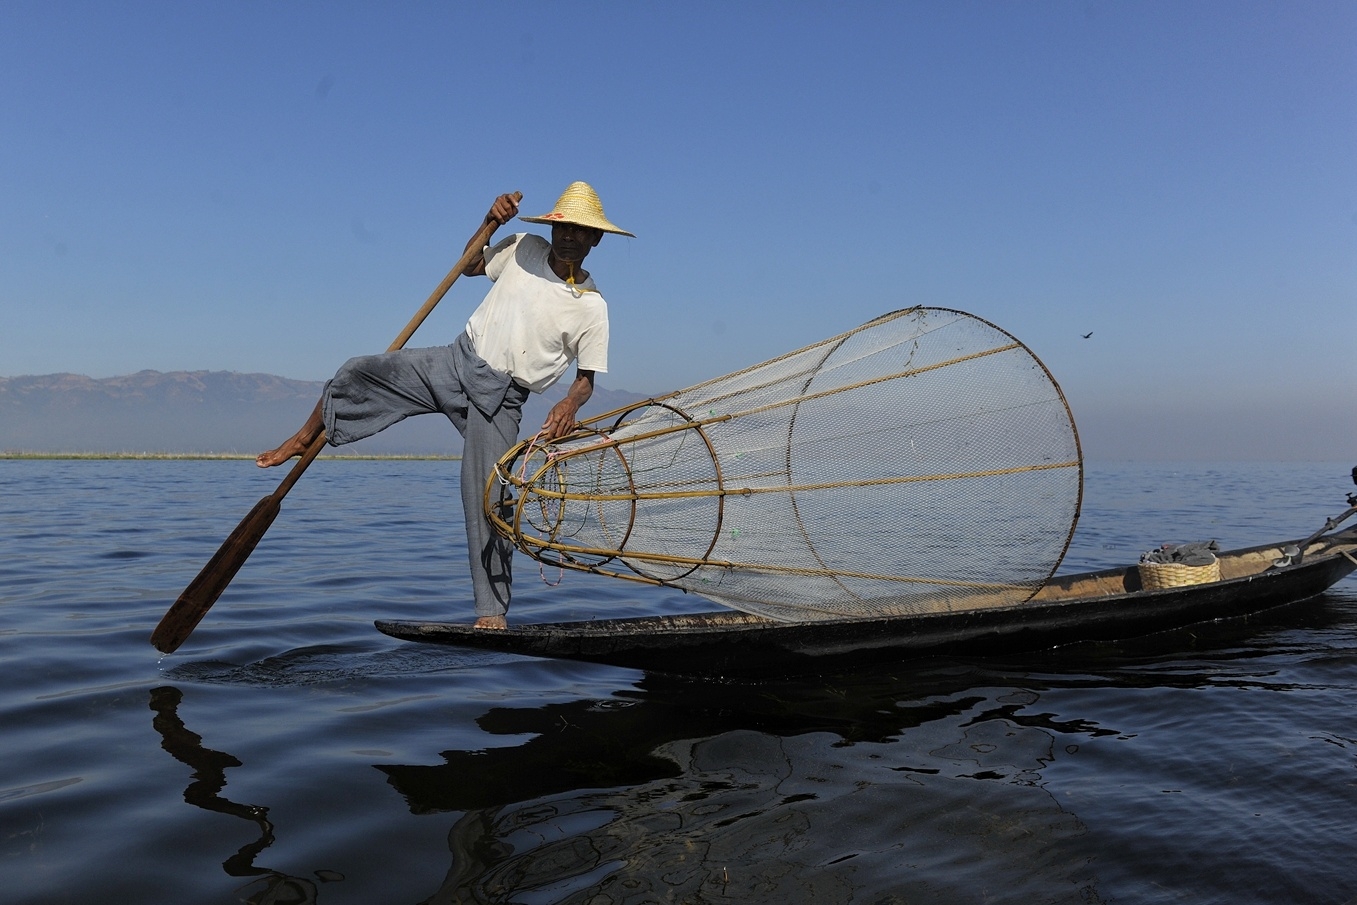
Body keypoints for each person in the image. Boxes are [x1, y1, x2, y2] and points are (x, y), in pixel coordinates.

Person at [255, 182, 633, 629]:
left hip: (501, 399)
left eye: (579, 230)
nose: (568, 236)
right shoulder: (525, 248)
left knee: (489, 500)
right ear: (551, 229)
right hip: (456, 362)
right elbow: (469, 264)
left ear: (596, 239)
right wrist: (489, 221)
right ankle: (303, 438)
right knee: (357, 371)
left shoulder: (592, 307)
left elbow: (585, 381)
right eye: (562, 226)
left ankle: (492, 612)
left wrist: (569, 404)